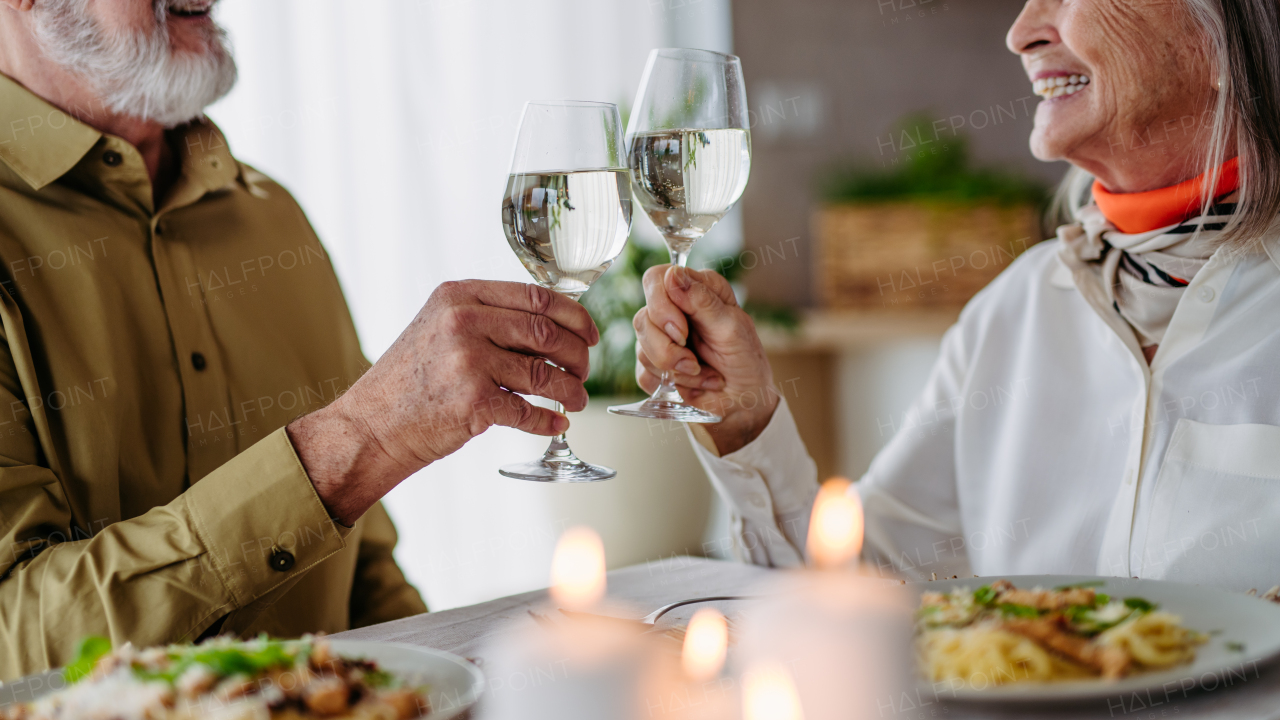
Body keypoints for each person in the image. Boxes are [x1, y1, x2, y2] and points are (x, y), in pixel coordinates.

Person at [0, 0, 598, 678]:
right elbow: (12, 636)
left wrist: (464, 687)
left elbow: (363, 577)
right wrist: (357, 442)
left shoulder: (272, 219)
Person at [637, 0, 1280, 591]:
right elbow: (858, 588)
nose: (1022, 32)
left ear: (1228, 40)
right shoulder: (1015, 310)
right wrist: (746, 419)